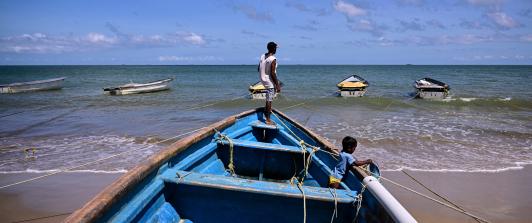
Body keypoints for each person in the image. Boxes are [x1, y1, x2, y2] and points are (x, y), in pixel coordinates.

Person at [258, 41, 281, 125]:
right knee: (269, 100)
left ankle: (267, 110)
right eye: (275, 48)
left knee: (268, 96)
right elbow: (273, 73)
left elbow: (258, 68)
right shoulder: (273, 59)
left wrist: (263, 75)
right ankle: (268, 119)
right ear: (273, 49)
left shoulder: (262, 56)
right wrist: (277, 85)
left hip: (262, 79)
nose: (276, 50)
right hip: (268, 81)